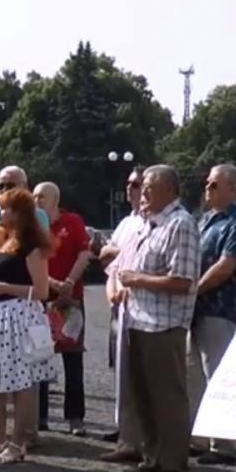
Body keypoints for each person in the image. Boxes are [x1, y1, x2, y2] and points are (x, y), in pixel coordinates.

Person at [104, 164, 201, 472]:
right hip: (136, 320)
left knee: (168, 399)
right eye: (141, 187)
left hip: (164, 325)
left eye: (149, 188)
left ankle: (176, 468)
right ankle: (152, 458)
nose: (142, 194)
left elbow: (183, 281)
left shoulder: (180, 224)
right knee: (141, 395)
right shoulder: (144, 225)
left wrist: (138, 280)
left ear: (170, 192)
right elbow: (119, 265)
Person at [0, 187, 53, 462]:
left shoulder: (31, 246)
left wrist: (7, 287)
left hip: (19, 316)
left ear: (20, 214)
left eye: (5, 208)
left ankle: (17, 443)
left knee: (20, 382)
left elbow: (41, 291)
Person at [186, 164, 236, 464]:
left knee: (218, 375)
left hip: (219, 307)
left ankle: (224, 445)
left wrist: (194, 290)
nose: (207, 188)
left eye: (215, 184)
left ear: (232, 189)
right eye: (207, 183)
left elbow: (226, 265)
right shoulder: (204, 220)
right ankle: (198, 437)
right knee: (193, 375)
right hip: (194, 309)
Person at [35, 182, 91, 436]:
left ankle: (75, 418)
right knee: (40, 358)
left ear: (55, 200)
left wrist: (68, 282)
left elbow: (84, 254)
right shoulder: (33, 228)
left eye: (42, 197)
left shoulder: (73, 221)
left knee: (73, 360)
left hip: (71, 302)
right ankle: (39, 416)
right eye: (34, 197)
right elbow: (30, 264)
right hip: (42, 300)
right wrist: (53, 283)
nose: (37, 201)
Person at [99, 167, 144, 446]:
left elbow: (125, 254)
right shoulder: (127, 222)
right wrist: (112, 289)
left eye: (136, 184)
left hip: (141, 305)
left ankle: (138, 432)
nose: (131, 188)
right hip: (118, 301)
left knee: (139, 371)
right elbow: (105, 256)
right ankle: (124, 427)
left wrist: (121, 251)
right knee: (120, 369)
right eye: (128, 183)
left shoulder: (151, 222)